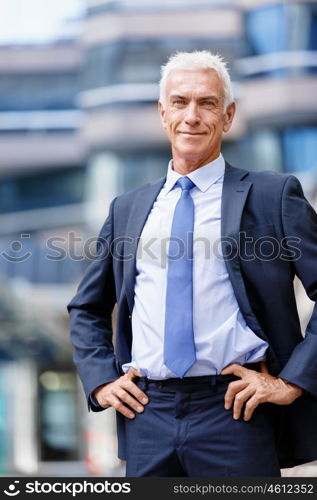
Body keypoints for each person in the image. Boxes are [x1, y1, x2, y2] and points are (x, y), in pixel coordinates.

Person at [68, 51, 317, 477]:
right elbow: (87, 307)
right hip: (147, 412)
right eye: (180, 102)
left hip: (234, 410)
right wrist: (102, 380)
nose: (192, 116)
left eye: (207, 103)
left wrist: (291, 381)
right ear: (162, 112)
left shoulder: (274, 196)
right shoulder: (128, 208)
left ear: (229, 115)